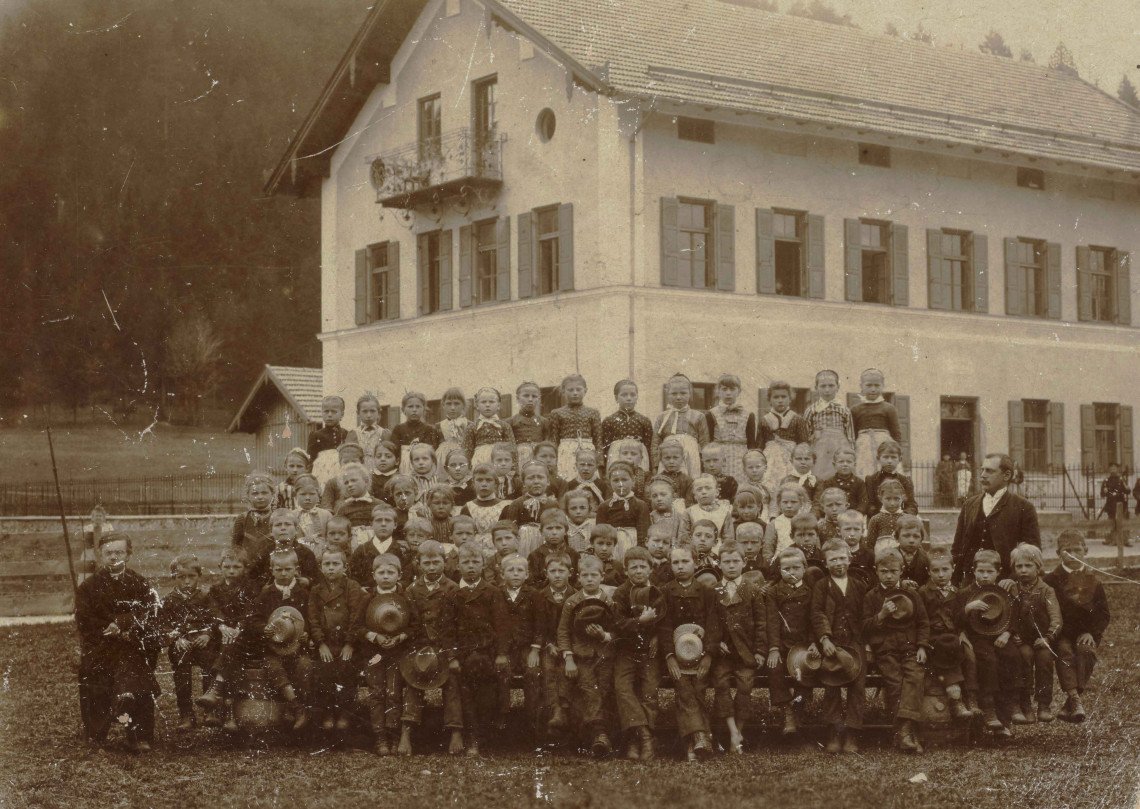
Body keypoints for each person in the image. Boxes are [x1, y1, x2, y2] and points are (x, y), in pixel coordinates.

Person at [76, 533, 162, 752]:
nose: (114, 557)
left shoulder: (140, 583)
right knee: (102, 674)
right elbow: (85, 620)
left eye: (119, 552)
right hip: (101, 646)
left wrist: (122, 623)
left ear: (129, 554)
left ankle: (138, 735)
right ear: (100, 555)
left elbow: (149, 612)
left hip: (130, 644)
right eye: (109, 553)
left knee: (135, 669)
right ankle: (97, 734)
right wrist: (110, 631)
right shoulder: (88, 586)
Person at [861, 545, 929, 753]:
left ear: (901, 571)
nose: (889, 576)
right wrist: (881, 616)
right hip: (885, 650)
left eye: (893, 571)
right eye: (884, 571)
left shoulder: (911, 594)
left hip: (910, 647)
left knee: (915, 677)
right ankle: (907, 732)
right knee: (896, 683)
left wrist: (922, 646)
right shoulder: (871, 596)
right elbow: (864, 626)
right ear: (876, 571)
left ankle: (903, 732)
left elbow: (923, 622)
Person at [660, 544, 720, 760]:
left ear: (696, 563)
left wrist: (709, 657)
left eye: (685, 561)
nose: (680, 566)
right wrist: (669, 657)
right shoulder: (665, 591)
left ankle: (692, 743)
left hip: (701, 656)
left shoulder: (706, 592)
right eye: (675, 562)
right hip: (676, 657)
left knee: (699, 688)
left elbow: (714, 625)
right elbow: (664, 627)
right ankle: (701, 737)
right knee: (684, 688)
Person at [404, 540, 464, 753]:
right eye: (426, 563)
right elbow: (410, 623)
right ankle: (406, 732)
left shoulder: (453, 589)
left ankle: (455, 731)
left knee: (453, 682)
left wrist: (452, 653)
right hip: (420, 647)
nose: (431, 567)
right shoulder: (411, 590)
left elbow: (457, 626)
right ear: (419, 564)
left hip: (446, 649)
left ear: (445, 563)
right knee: (414, 679)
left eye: (436, 562)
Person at [1044, 530, 1110, 723]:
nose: (1072, 554)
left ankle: (1070, 703)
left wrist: (1091, 631)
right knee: (1065, 652)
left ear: (1085, 551)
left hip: (1085, 633)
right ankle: (1075, 700)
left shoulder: (1093, 580)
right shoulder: (1051, 580)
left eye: (1077, 549)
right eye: (1067, 550)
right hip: (1061, 632)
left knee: (1086, 652)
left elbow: (1103, 613)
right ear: (1058, 553)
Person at [451, 542, 511, 756]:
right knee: (466, 691)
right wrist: (453, 657)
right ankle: (472, 735)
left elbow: (502, 626)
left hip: (489, 652)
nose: (471, 566)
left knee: (486, 692)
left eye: (475, 562)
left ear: (483, 565)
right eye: (466, 562)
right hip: (463, 653)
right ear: (458, 565)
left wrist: (502, 654)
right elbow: (448, 629)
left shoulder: (492, 592)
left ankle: (485, 734)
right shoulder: (454, 593)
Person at [356, 553, 417, 756]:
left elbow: (415, 626)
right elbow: (356, 626)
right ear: (373, 575)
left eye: (391, 572)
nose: (386, 576)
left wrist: (400, 637)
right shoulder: (366, 597)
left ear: (399, 575)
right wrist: (374, 636)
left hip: (398, 653)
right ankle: (379, 736)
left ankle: (393, 734)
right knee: (376, 692)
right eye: (381, 572)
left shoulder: (406, 597)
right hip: (375, 654)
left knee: (393, 692)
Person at [246, 546, 313, 732]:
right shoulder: (266, 594)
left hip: (299, 647)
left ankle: (303, 707)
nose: (283, 573)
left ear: (296, 570)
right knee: (273, 666)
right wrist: (263, 629)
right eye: (279, 569)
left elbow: (312, 619)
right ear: (271, 570)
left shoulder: (304, 594)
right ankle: (295, 706)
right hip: (273, 647)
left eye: (288, 569)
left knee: (305, 666)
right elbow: (254, 619)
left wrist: (307, 633)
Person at [811, 538, 867, 754]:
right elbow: (817, 613)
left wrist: (866, 645)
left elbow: (865, 616)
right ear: (825, 563)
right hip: (831, 643)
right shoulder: (821, 586)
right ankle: (834, 730)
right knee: (831, 683)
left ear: (850, 558)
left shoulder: (859, 585)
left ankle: (852, 732)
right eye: (833, 559)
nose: (838, 563)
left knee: (858, 686)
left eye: (842, 558)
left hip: (854, 642)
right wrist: (824, 638)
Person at [951, 453, 1041, 584]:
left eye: (989, 471)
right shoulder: (969, 505)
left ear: (1007, 475)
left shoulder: (1024, 507)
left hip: (1005, 583)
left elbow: (1032, 553)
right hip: (970, 582)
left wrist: (1012, 580)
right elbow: (957, 547)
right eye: (982, 470)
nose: (983, 475)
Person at [958, 549, 1021, 735]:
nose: (985, 575)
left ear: (998, 572)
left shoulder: (1003, 591)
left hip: (1000, 637)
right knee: (988, 661)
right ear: (974, 571)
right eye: (981, 571)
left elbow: (1014, 615)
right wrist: (968, 608)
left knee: (1012, 656)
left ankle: (1008, 713)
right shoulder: (966, 593)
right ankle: (989, 708)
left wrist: (1008, 633)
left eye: (990, 572)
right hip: (977, 638)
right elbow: (955, 619)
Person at [711, 541, 765, 754]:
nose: (731, 566)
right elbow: (710, 622)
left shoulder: (752, 590)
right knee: (721, 684)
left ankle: (739, 731)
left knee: (745, 685)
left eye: (736, 561)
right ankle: (732, 730)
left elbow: (761, 623)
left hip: (746, 652)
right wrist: (716, 642)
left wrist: (760, 651)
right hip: (723, 653)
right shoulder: (713, 590)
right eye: (726, 562)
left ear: (744, 562)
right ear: (720, 564)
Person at [559, 554, 616, 757]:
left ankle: (605, 735)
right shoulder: (571, 602)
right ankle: (598, 736)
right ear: (579, 578)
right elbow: (563, 632)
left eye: (594, 575)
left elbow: (619, 629)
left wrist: (605, 635)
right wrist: (569, 658)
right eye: (585, 575)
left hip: (606, 656)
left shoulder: (611, 600)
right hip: (581, 657)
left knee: (606, 690)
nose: (590, 579)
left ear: (602, 576)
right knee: (589, 691)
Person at [610, 546, 663, 761]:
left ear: (651, 569)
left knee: (649, 690)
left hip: (650, 651)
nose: (638, 571)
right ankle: (642, 736)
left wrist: (657, 636)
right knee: (622, 688)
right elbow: (618, 623)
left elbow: (665, 620)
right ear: (625, 570)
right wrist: (639, 622)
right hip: (626, 649)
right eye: (633, 567)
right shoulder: (621, 593)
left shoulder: (658, 592)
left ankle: (639, 737)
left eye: (643, 567)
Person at [197, 549, 256, 730]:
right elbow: (214, 611)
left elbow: (251, 612)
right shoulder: (215, 589)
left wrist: (238, 629)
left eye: (236, 567)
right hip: (223, 633)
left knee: (231, 648)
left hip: (245, 635)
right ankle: (217, 712)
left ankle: (217, 689)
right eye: (227, 567)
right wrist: (223, 627)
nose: (231, 571)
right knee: (213, 653)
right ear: (220, 568)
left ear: (245, 568)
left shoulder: (251, 587)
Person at [307, 547, 365, 731]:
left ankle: (345, 712)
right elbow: (313, 619)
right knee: (324, 669)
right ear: (321, 567)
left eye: (335, 564)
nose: (331, 568)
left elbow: (357, 617)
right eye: (327, 564)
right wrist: (320, 644)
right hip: (326, 642)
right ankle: (328, 711)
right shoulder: (316, 590)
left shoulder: (352, 587)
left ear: (345, 566)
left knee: (347, 668)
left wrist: (350, 644)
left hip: (348, 643)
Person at [159, 554, 216, 730]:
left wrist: (207, 634)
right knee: (182, 675)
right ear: (174, 578)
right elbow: (163, 624)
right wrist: (176, 638)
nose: (186, 581)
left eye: (191, 576)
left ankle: (210, 710)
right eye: (181, 577)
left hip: (202, 643)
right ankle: (186, 714)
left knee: (210, 667)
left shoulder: (206, 597)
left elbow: (214, 619)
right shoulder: (168, 600)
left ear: (199, 576)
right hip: (181, 645)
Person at [917, 546, 975, 719]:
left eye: (945, 569)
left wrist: (962, 632)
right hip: (933, 638)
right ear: (928, 571)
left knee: (970, 655)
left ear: (953, 569)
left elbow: (959, 620)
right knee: (946, 645)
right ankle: (955, 698)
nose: (941, 574)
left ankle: (972, 698)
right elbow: (921, 620)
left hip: (954, 636)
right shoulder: (923, 592)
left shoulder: (957, 593)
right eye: (936, 570)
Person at [764, 546, 816, 737]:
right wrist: (774, 648)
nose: (791, 573)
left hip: (803, 644)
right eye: (786, 569)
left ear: (804, 568)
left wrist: (813, 642)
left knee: (806, 666)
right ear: (779, 570)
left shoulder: (810, 591)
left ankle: (799, 707)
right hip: (782, 644)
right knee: (774, 666)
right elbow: (772, 621)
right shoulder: (774, 592)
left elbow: (814, 620)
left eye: (796, 568)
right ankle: (787, 710)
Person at [1008, 543, 1061, 724]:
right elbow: (1006, 614)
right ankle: (1025, 703)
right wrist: (1011, 633)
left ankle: (1044, 705)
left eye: (1028, 566)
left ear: (1038, 567)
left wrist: (1048, 638)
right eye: (1019, 566)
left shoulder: (1047, 591)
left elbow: (1056, 619)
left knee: (1045, 660)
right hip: (1021, 641)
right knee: (1023, 657)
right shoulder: (1012, 588)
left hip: (1042, 640)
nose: (1023, 570)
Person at [533, 552, 576, 735]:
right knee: (548, 667)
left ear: (570, 572)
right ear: (546, 573)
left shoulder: (575, 595)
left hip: (571, 646)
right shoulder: (540, 596)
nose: (557, 575)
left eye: (561, 570)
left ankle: (564, 708)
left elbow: (576, 627)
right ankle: (555, 708)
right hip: (548, 645)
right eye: (553, 571)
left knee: (565, 669)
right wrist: (549, 644)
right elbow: (538, 626)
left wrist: (567, 648)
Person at [498, 554, 539, 732]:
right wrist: (500, 651)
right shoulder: (497, 593)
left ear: (527, 574)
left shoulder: (534, 595)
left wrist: (535, 650)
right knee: (502, 671)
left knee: (533, 672)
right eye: (510, 570)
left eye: (520, 570)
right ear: (502, 574)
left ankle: (533, 716)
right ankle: (502, 714)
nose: (515, 574)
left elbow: (540, 623)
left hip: (526, 647)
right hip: (504, 648)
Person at [546, 374, 603, 483]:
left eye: (578, 389)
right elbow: (554, 439)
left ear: (585, 390)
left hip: (587, 451)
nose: (575, 392)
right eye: (570, 390)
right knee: (566, 481)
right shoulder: (557, 413)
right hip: (565, 453)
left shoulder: (593, 413)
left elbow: (598, 439)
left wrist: (599, 462)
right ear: (563, 391)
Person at [650, 374, 709, 479]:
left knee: (691, 482)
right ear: (668, 394)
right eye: (674, 393)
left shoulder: (698, 416)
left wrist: (705, 466)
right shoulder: (662, 417)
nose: (678, 397)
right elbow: (655, 443)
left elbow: (705, 443)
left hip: (691, 457)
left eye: (683, 393)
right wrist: (655, 465)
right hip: (668, 458)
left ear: (690, 394)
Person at [758, 380, 809, 494]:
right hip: (770, 458)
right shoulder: (764, 420)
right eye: (776, 397)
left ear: (790, 398)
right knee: (769, 485)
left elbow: (804, 444)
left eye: (784, 397)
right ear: (770, 400)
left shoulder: (797, 419)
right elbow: (760, 445)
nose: (780, 400)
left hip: (790, 458)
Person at [705, 374, 756, 484]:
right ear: (718, 391)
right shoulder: (711, 414)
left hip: (741, 459)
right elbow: (708, 442)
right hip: (719, 459)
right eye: (724, 389)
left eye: (732, 389)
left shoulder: (749, 414)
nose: (728, 393)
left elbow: (752, 444)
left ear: (739, 391)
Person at [850, 369, 902, 479]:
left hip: (884, 446)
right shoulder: (855, 409)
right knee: (865, 475)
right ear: (861, 386)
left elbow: (896, 434)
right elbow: (852, 435)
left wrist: (897, 453)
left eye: (877, 385)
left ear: (882, 386)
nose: (873, 389)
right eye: (868, 385)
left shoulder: (889, 408)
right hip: (863, 449)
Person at [805, 370, 855, 481]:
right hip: (819, 449)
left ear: (838, 387)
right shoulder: (811, 410)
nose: (827, 390)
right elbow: (806, 435)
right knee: (819, 475)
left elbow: (850, 436)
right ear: (816, 387)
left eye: (831, 385)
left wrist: (851, 453)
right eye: (823, 386)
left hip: (840, 447)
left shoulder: (844, 410)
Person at [501, 461, 557, 558]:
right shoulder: (517, 504)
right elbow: (510, 529)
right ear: (523, 482)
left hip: (545, 543)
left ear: (548, 481)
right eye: (531, 478)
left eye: (540, 477)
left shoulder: (552, 504)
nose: (536, 481)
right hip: (523, 544)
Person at [595, 461, 650, 556]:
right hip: (611, 547)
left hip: (633, 545)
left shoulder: (640, 505)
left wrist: (640, 553)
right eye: (616, 480)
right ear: (610, 482)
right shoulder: (604, 506)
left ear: (633, 480)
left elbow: (643, 534)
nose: (620, 484)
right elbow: (600, 533)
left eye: (624, 480)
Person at [348, 502, 410, 585]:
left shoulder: (402, 551)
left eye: (387, 520)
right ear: (371, 524)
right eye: (379, 520)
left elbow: (407, 579)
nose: (383, 524)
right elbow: (353, 578)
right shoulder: (362, 550)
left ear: (395, 525)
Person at [601, 379, 654, 473]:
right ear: (616, 398)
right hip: (615, 462)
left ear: (637, 397)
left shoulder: (644, 421)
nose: (629, 398)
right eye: (624, 395)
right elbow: (604, 448)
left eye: (633, 395)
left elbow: (648, 446)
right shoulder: (609, 421)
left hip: (638, 461)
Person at [231, 472, 276, 575]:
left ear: (272, 494)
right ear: (248, 496)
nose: (260, 497)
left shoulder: (277, 517)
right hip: (248, 571)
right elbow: (235, 547)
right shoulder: (242, 519)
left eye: (264, 493)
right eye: (255, 493)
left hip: (272, 570)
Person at [459, 464, 510, 554]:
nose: (484, 484)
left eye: (488, 480)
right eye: (479, 480)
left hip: (498, 550)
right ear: (473, 483)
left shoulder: (505, 507)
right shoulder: (468, 507)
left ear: (496, 483)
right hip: (474, 552)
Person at [527, 508, 581, 589]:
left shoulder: (573, 554)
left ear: (566, 531)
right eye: (549, 528)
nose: (554, 532)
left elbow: (577, 582)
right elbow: (532, 584)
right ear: (541, 531)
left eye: (558, 528)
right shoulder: (535, 556)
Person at [862, 440, 918, 516]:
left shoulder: (905, 481)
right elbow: (869, 505)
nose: (889, 461)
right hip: (878, 520)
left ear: (900, 459)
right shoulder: (871, 480)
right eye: (885, 457)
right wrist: (882, 517)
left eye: (893, 457)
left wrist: (903, 516)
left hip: (901, 520)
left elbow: (911, 505)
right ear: (878, 458)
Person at [391, 392, 442, 475]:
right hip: (403, 469)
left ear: (423, 409)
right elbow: (394, 452)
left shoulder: (430, 429)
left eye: (418, 406)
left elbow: (434, 453)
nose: (414, 410)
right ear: (403, 409)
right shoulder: (398, 429)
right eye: (410, 406)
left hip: (425, 468)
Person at [464, 386, 516, 469]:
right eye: (483, 402)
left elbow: (512, 448)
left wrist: (514, 469)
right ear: (477, 405)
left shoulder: (504, 426)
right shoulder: (472, 427)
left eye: (491, 402)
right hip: (479, 461)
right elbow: (467, 451)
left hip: (499, 460)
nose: (487, 405)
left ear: (498, 405)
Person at [763, 483, 806, 572]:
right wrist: (771, 567)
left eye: (793, 502)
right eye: (785, 502)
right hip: (780, 565)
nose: (789, 506)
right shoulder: (774, 523)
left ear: (801, 503)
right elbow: (768, 549)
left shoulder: (806, 521)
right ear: (779, 504)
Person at [347, 393, 393, 474]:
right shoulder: (353, 434)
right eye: (365, 411)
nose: (369, 415)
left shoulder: (385, 433)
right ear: (358, 413)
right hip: (359, 474)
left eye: (372, 411)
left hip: (380, 474)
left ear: (378, 413)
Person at [308, 395, 349, 487]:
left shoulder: (346, 434)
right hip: (321, 473)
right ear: (322, 413)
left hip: (340, 471)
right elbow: (311, 459)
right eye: (326, 411)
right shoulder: (315, 435)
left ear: (342, 414)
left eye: (334, 412)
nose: (329, 415)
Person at [681, 473, 733, 543]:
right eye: (699, 489)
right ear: (694, 495)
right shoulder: (689, 512)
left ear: (717, 492)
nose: (704, 492)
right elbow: (684, 538)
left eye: (708, 488)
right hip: (694, 550)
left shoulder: (725, 513)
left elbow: (728, 539)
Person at [816, 447, 866, 519]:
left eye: (849, 462)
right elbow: (824, 502)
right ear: (834, 464)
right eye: (841, 461)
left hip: (853, 518)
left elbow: (863, 502)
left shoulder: (859, 482)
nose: (845, 464)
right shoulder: (829, 482)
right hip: (833, 516)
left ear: (854, 464)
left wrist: (856, 515)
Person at [507, 381, 547, 469]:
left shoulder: (544, 421)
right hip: (519, 458)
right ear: (518, 398)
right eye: (526, 396)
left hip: (539, 458)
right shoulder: (510, 422)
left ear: (539, 399)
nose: (530, 399)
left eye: (534, 396)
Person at [320, 442, 368, 511]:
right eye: (346, 462)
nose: (350, 465)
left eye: (354, 461)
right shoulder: (332, 482)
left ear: (362, 462)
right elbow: (326, 505)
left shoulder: (365, 480)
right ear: (340, 463)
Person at [293, 474, 332, 555]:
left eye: (312, 494)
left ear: (318, 495)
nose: (307, 497)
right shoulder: (292, 515)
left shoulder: (326, 515)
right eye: (303, 494)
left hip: (321, 552)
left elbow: (330, 536)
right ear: (296, 495)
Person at [866, 478, 908, 549]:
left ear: (902, 498)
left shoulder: (906, 519)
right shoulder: (875, 519)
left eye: (896, 499)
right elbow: (870, 544)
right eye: (888, 499)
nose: (892, 503)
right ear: (880, 498)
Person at [656, 437, 695, 511]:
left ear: (682, 459)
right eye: (667, 458)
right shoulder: (657, 480)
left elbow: (689, 503)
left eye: (675, 458)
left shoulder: (688, 480)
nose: (671, 461)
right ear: (661, 459)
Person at [435, 387, 470, 468]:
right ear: (443, 405)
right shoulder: (438, 426)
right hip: (443, 460)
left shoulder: (470, 425)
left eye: (457, 404)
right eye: (449, 404)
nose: (453, 408)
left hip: (463, 458)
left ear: (463, 405)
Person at [896, 514, 930, 587]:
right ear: (897, 537)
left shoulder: (927, 558)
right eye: (906, 536)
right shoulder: (890, 556)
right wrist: (900, 583)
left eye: (916, 536)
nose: (911, 540)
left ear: (921, 539)